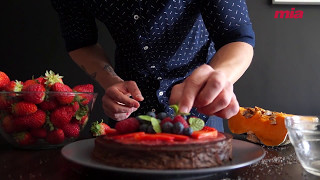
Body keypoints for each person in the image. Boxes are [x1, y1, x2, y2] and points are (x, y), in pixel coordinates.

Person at [51, 0, 255, 132]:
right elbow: (81, 43)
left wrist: (218, 77)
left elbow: (237, 37)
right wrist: (111, 81)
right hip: (128, 114)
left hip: (199, 111)